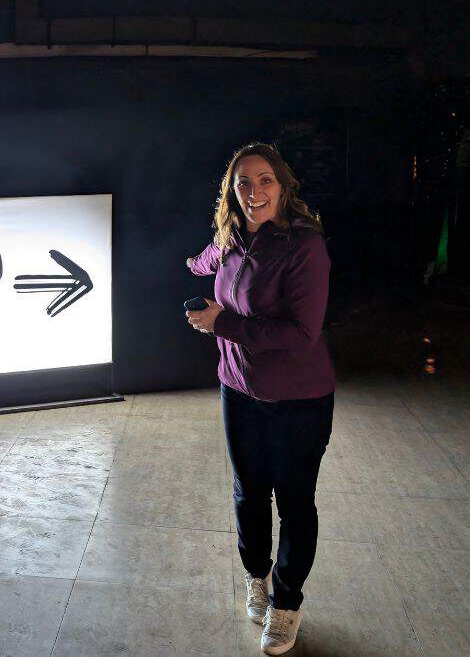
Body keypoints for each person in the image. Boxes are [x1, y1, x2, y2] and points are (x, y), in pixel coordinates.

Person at [185, 142, 336, 656]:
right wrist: (192, 262)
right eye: (244, 182)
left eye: (265, 179)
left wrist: (220, 322)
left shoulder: (303, 245)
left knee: (294, 503)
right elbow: (204, 261)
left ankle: (286, 603)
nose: (255, 191)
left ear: (283, 185)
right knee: (249, 491)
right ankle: (258, 577)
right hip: (238, 387)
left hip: (299, 399)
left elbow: (301, 334)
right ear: (231, 191)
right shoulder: (230, 239)